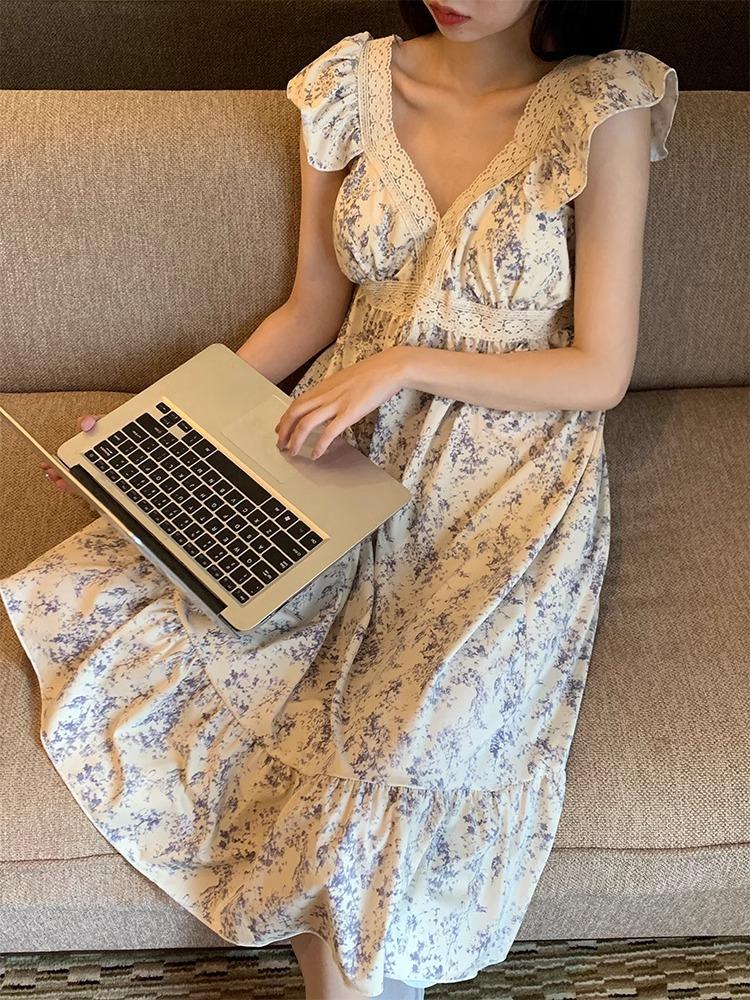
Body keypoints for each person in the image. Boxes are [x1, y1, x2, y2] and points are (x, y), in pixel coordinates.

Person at [1, 0, 679, 996]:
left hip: (510, 474)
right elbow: (312, 309)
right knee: (248, 652)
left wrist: (403, 360)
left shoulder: (603, 102)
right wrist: (156, 423)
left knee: (402, 735)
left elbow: (599, 370)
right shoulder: (349, 85)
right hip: (337, 444)